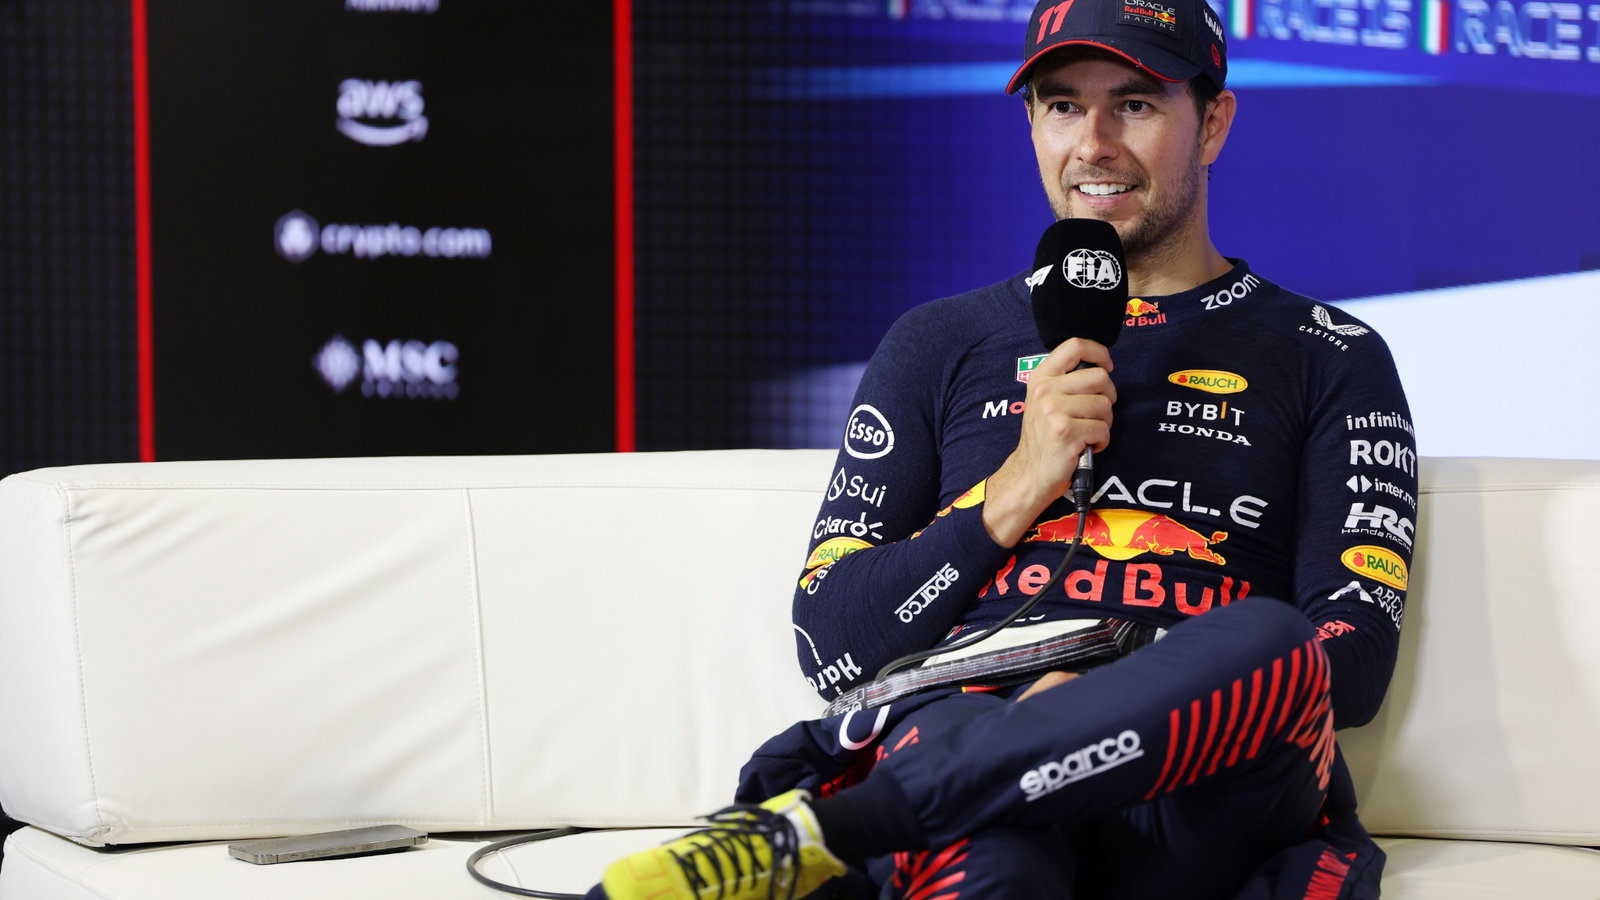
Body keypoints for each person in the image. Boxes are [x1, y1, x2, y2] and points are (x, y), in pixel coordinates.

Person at [592, 0, 1417, 896]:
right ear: (1032, 123)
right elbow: (832, 645)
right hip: (969, 730)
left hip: (1203, 785)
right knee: (992, 844)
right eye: (1063, 106)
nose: (1093, 143)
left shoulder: (1332, 352)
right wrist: (1017, 485)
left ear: (1212, 122)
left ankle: (826, 832)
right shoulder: (938, 341)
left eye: (1134, 105)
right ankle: (941, 800)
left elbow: (1351, 661)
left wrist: (1110, 697)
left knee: (1271, 640)